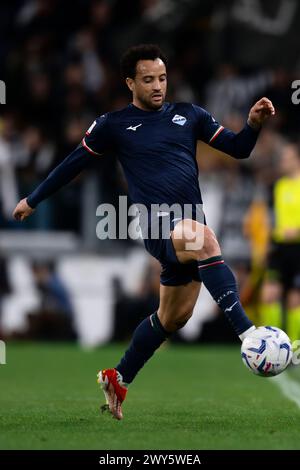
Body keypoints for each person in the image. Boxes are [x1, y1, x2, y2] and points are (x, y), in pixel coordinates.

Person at [13, 44, 275, 420]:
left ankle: (118, 377)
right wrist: (33, 199)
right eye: (148, 79)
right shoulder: (113, 125)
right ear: (130, 83)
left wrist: (253, 124)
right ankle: (249, 336)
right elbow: (73, 164)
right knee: (205, 239)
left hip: (187, 225)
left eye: (163, 78)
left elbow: (238, 149)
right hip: (158, 225)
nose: (158, 86)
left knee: (172, 319)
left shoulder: (190, 115)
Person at [259, 143, 300, 341]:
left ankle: (295, 349)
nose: (283, 162)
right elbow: (274, 217)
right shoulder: (279, 186)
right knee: (268, 295)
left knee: (295, 301)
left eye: (287, 158)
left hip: (298, 248)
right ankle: (272, 345)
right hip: (279, 248)